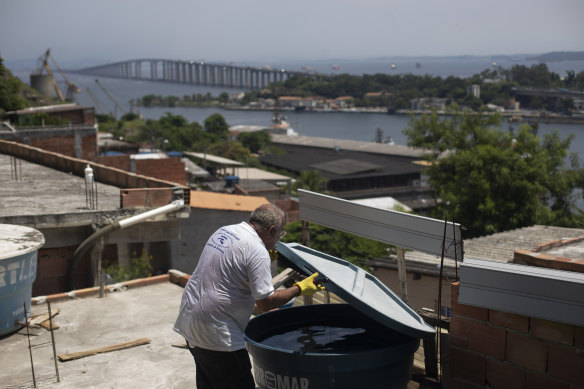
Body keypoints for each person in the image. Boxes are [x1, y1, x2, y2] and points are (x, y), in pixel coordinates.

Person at [173, 203, 324, 389]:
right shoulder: (257, 250)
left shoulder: (225, 231)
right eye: (279, 235)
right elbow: (265, 302)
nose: (278, 240)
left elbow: (231, 269)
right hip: (218, 334)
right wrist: (300, 288)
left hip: (190, 323)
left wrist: (263, 258)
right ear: (272, 230)